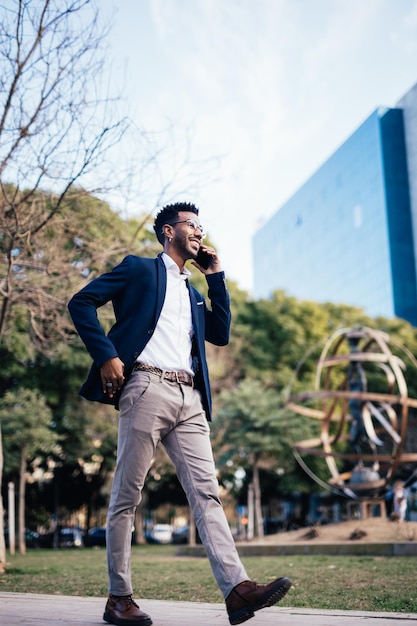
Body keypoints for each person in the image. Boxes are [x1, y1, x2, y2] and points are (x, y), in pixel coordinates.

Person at [68, 202, 292, 626]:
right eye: (193, 226)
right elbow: (82, 303)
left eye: (202, 227)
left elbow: (220, 334)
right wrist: (106, 356)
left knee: (208, 493)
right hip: (146, 386)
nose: (200, 233)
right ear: (169, 231)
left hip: (190, 399)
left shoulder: (191, 291)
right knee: (126, 497)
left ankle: (238, 590)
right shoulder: (138, 269)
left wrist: (216, 278)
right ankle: (119, 597)